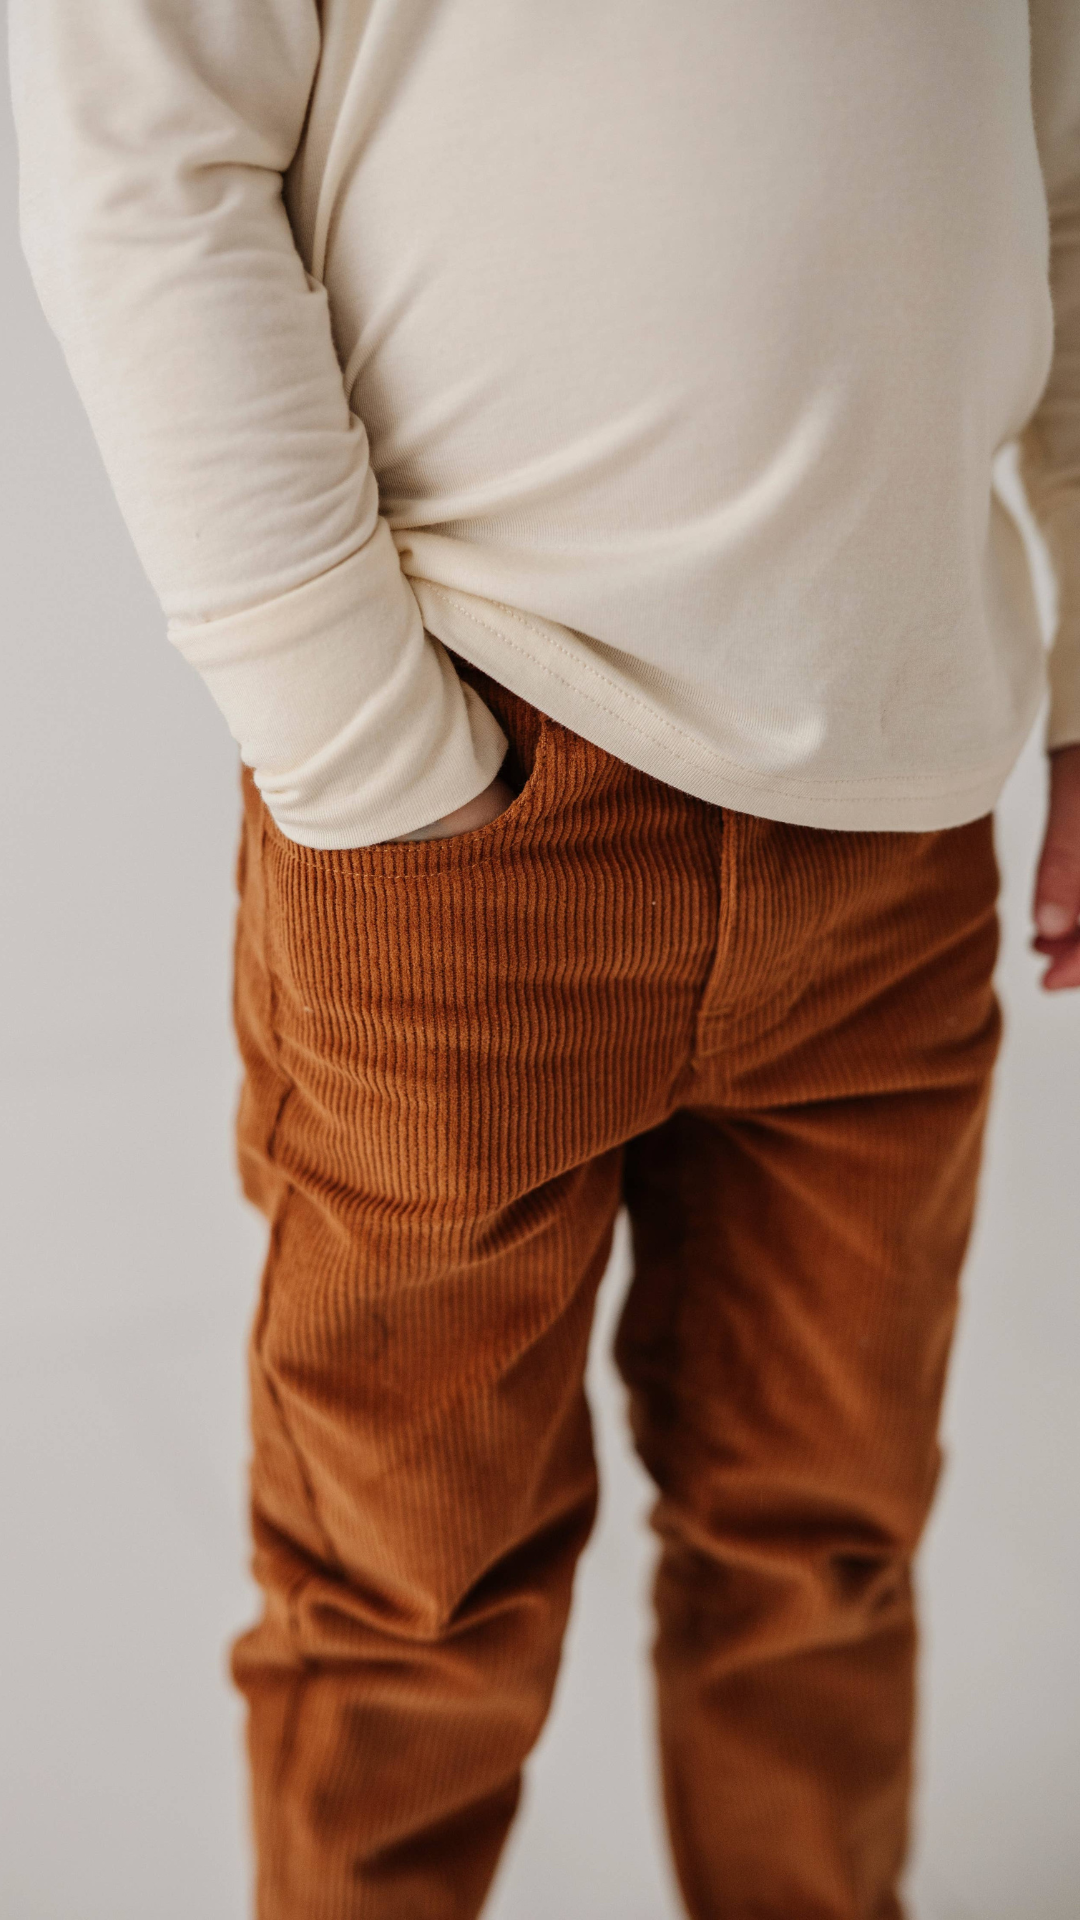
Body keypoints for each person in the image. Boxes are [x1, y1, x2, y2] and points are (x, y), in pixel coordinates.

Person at [10, 3, 1080, 1914]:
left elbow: (1058, 166)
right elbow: (144, 151)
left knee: (824, 1553)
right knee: (405, 1602)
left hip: (896, 790)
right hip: (472, 814)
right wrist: (361, 743)